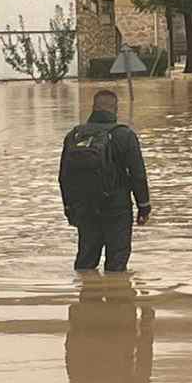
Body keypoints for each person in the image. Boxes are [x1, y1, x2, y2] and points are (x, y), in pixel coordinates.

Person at [59, 90, 151, 272]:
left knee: (85, 262)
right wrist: (144, 206)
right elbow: (138, 175)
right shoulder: (124, 135)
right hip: (117, 208)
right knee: (117, 265)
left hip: (85, 208)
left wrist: (69, 208)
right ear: (115, 109)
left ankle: (85, 296)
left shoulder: (74, 136)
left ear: (93, 108)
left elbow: (64, 176)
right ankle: (116, 297)